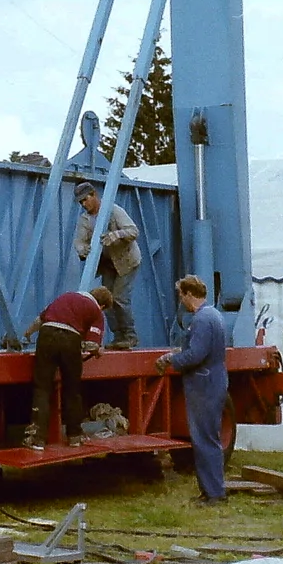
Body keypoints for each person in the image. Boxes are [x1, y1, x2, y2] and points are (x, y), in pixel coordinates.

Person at [155, 275, 228, 504]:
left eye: (181, 296)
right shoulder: (214, 314)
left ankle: (213, 493)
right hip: (212, 381)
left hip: (203, 384)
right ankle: (213, 490)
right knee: (209, 438)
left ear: (188, 294)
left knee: (204, 440)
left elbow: (196, 354)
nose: (181, 301)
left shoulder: (201, 319)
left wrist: (172, 360)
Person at [20, 286, 115, 451]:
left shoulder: (65, 297)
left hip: (46, 335)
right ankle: (74, 436)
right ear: (102, 306)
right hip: (70, 340)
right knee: (72, 390)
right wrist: (97, 350)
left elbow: (39, 320)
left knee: (42, 388)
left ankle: (37, 439)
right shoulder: (96, 311)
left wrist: (27, 334)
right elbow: (92, 345)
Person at [73, 182, 141, 349]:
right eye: (81, 202)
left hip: (126, 262)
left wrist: (116, 235)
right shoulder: (85, 220)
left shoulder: (113, 210)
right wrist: (83, 249)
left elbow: (133, 231)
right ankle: (118, 336)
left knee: (120, 298)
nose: (84, 204)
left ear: (94, 194)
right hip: (108, 264)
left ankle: (130, 336)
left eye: (85, 199)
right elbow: (79, 241)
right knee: (106, 301)